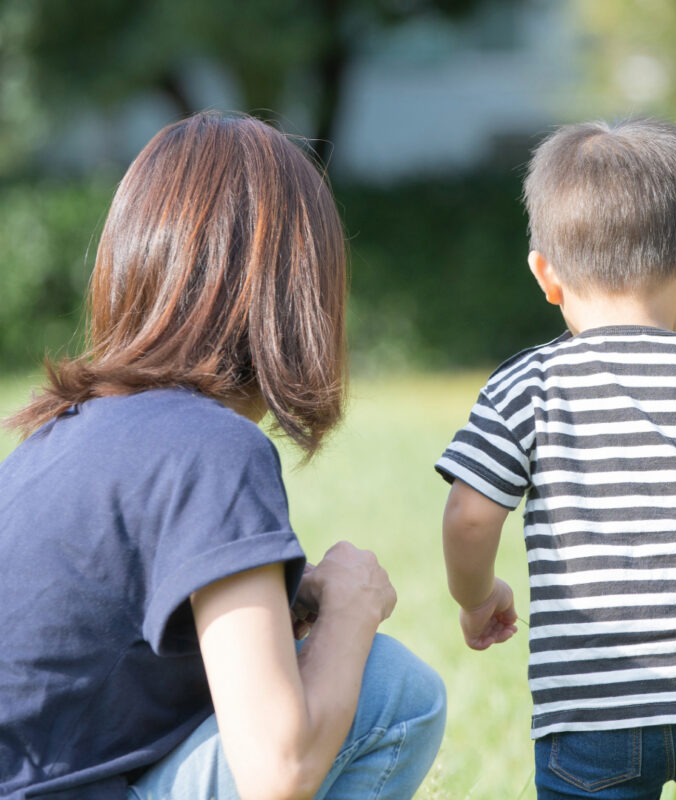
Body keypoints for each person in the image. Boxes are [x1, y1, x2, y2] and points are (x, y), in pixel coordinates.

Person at [0, 111, 446, 800]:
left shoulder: (55, 439)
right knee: (394, 692)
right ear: (299, 293)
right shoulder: (213, 447)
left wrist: (289, 600)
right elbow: (277, 771)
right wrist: (353, 610)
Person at [435, 118, 676, 799]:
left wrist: (478, 599)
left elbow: (468, 516)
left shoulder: (526, 387)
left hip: (592, 712)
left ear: (545, 275)